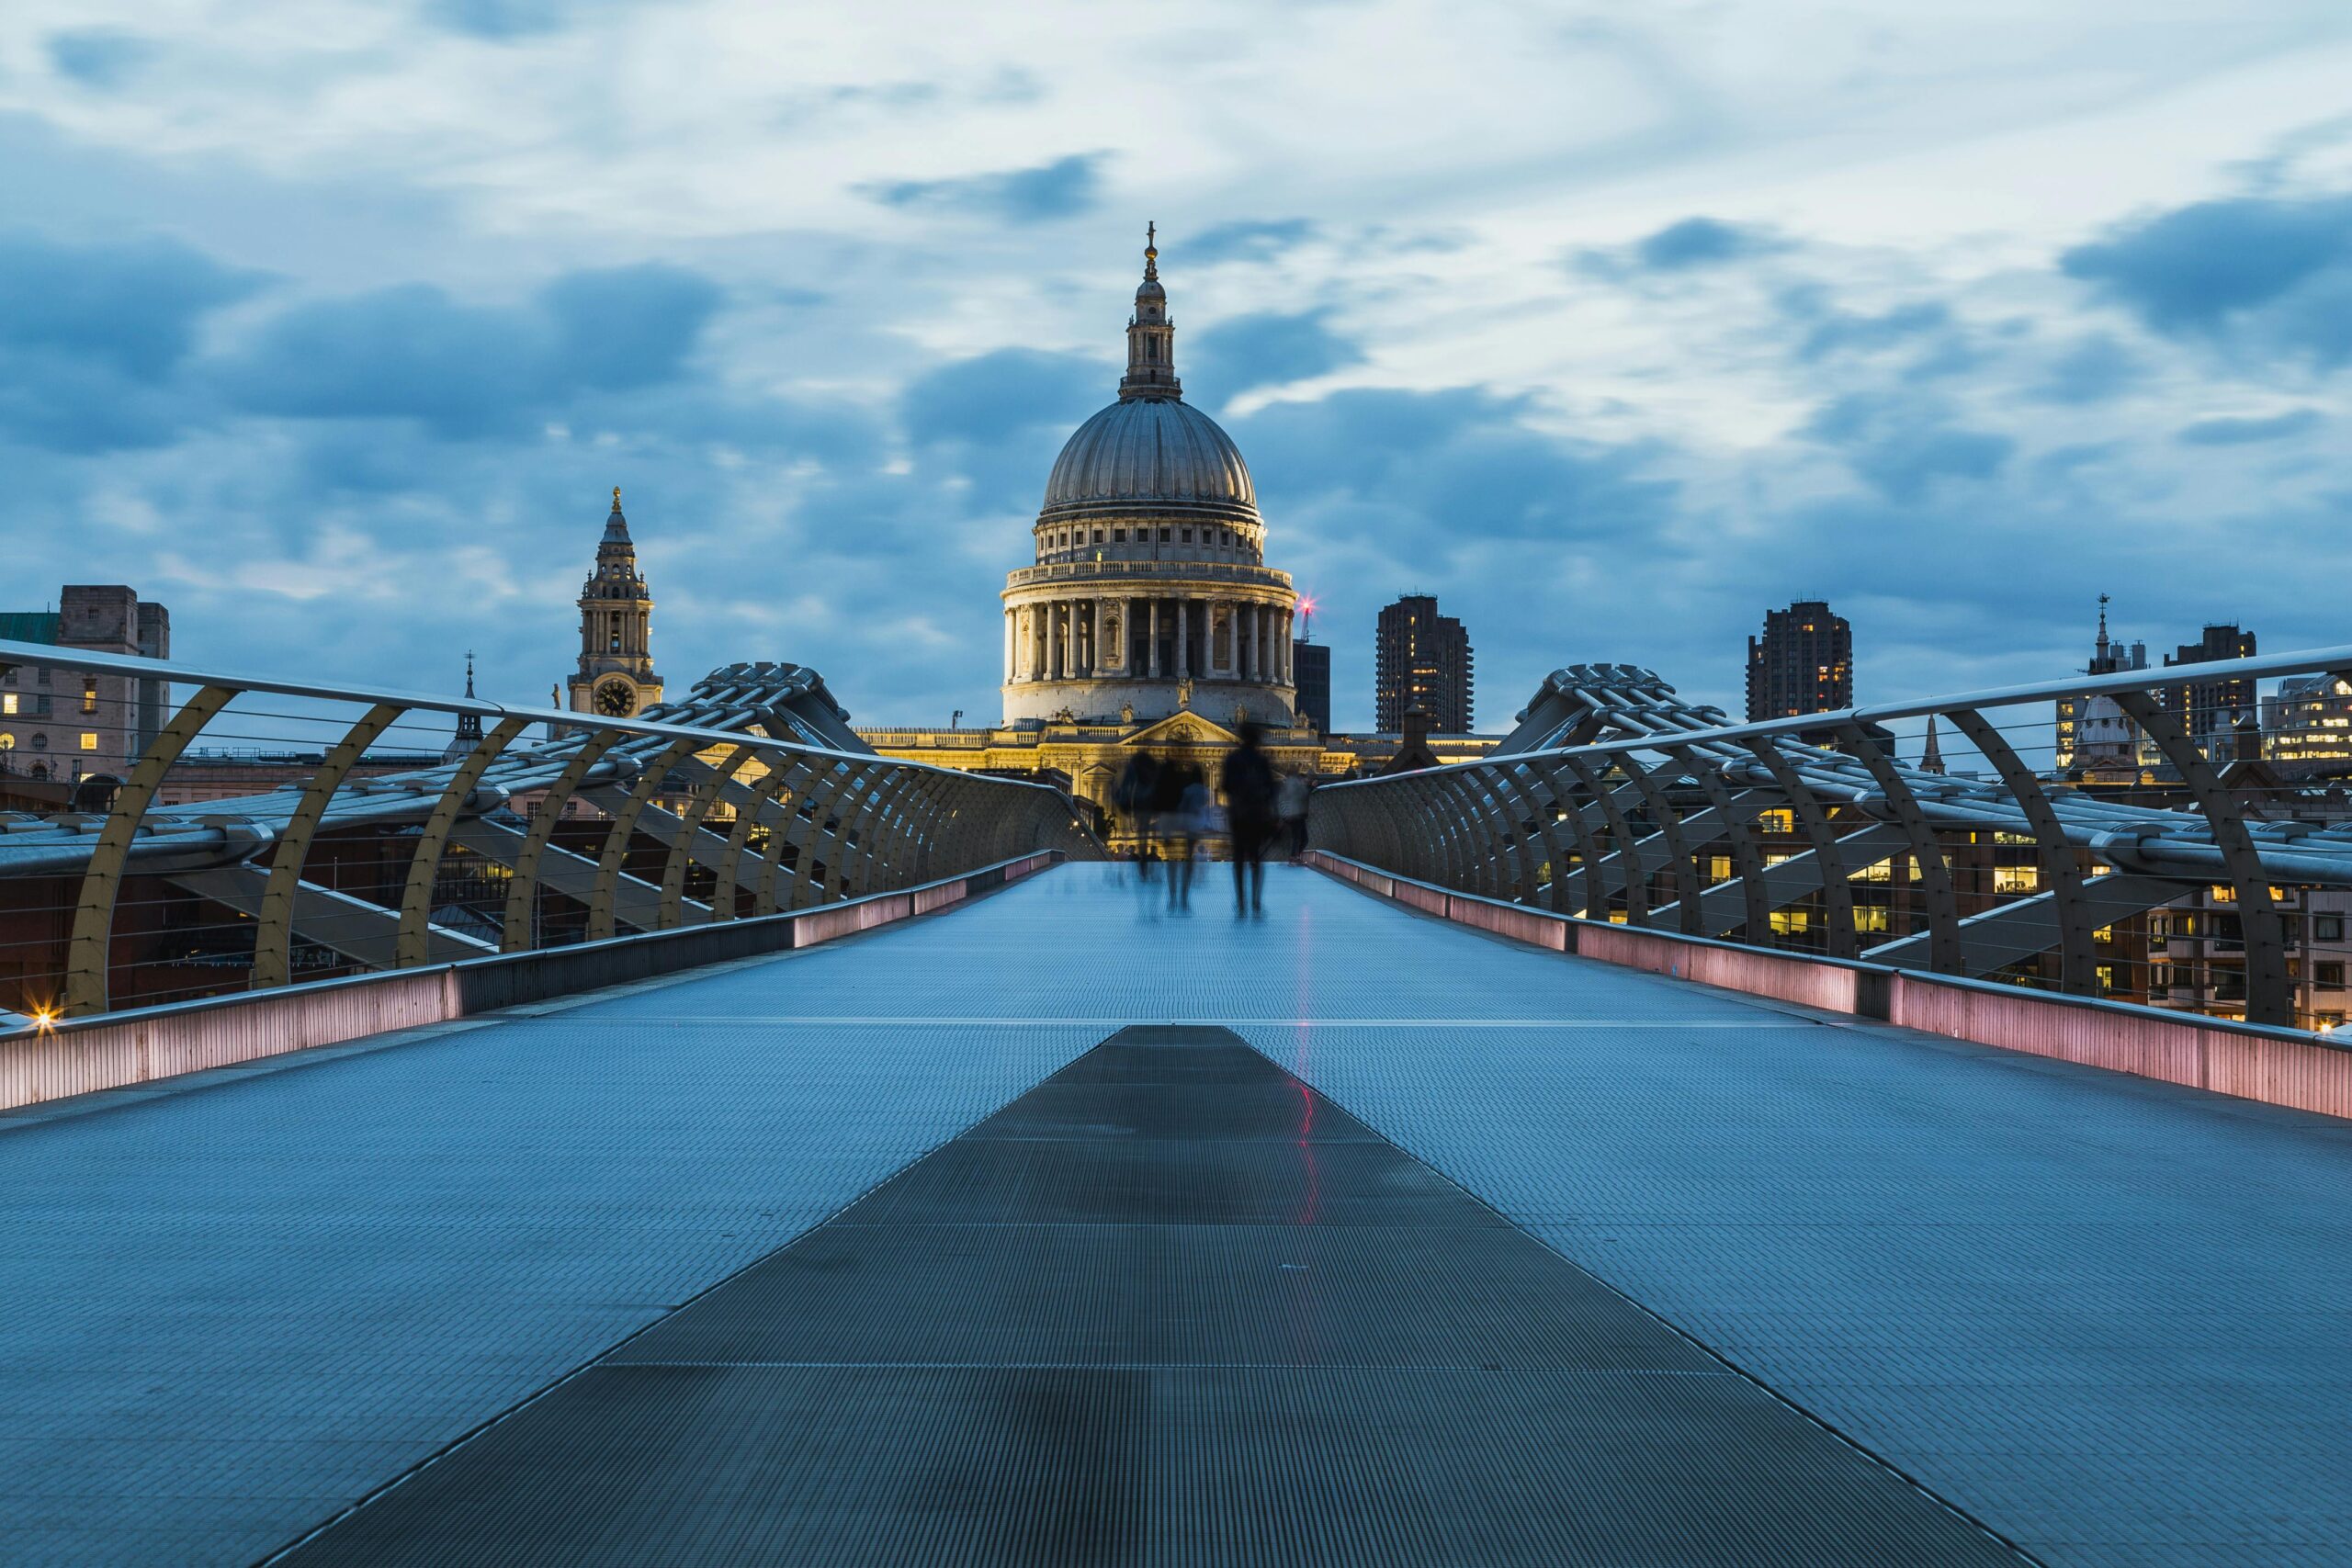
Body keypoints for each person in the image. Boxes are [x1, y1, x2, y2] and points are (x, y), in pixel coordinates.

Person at [1222, 722, 1280, 915]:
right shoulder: (1261, 761)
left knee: (1238, 857)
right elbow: (1272, 790)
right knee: (1256, 857)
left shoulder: (1233, 759)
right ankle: (1256, 900)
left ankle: (1240, 901)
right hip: (1257, 814)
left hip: (1238, 813)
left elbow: (1225, 787)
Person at [1166, 759, 1207, 910]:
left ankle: (1174, 895)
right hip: (1197, 824)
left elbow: (1182, 806)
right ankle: (1185, 889)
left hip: (1184, 823)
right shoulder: (1204, 791)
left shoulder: (1187, 790)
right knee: (1189, 852)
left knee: (1174, 857)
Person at [1114, 750, 1161, 877]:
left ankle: (1143, 864)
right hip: (1149, 805)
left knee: (1141, 835)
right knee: (1144, 833)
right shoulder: (1153, 768)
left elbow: (1125, 786)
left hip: (1138, 805)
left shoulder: (1132, 768)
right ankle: (1145, 862)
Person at [1277, 769, 1312, 859]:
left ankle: (1295, 856)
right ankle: (1294, 857)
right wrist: (1311, 787)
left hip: (1298, 815)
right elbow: (1301, 795)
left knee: (1301, 839)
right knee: (1299, 838)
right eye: (1305, 780)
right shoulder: (1292, 786)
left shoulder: (1290, 785)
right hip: (1295, 815)